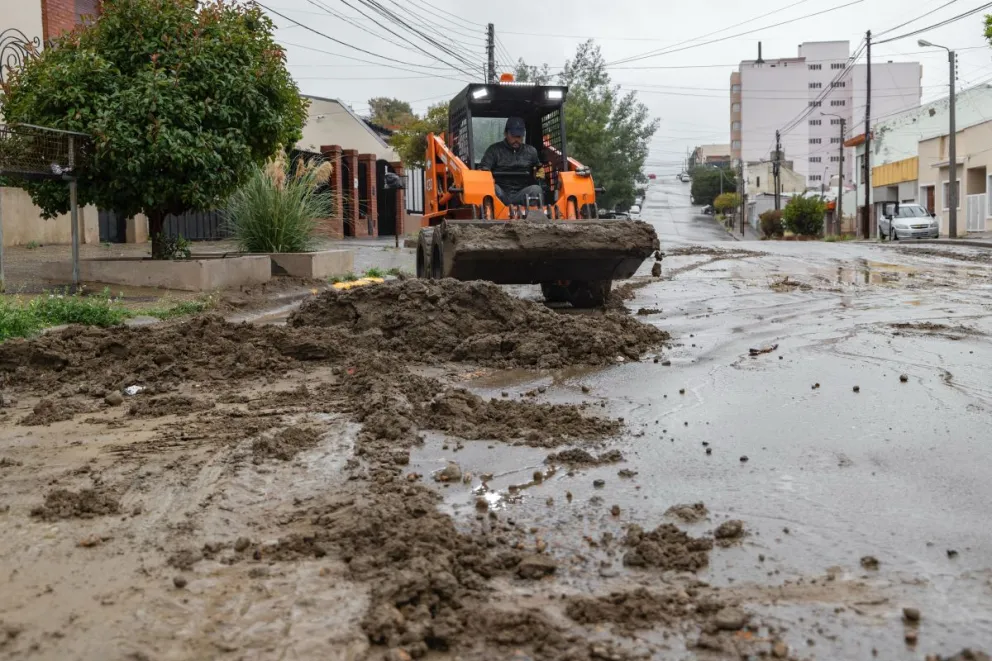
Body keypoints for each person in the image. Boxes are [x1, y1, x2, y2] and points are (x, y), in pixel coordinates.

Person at [479, 117, 543, 207]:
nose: (516, 140)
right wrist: (488, 177)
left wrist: (539, 173)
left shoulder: (531, 151)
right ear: (505, 133)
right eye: (513, 136)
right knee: (491, 188)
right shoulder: (494, 150)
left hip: (522, 193)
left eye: (519, 137)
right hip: (501, 193)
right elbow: (483, 169)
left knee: (536, 189)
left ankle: (533, 214)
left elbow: (538, 169)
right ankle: (491, 213)